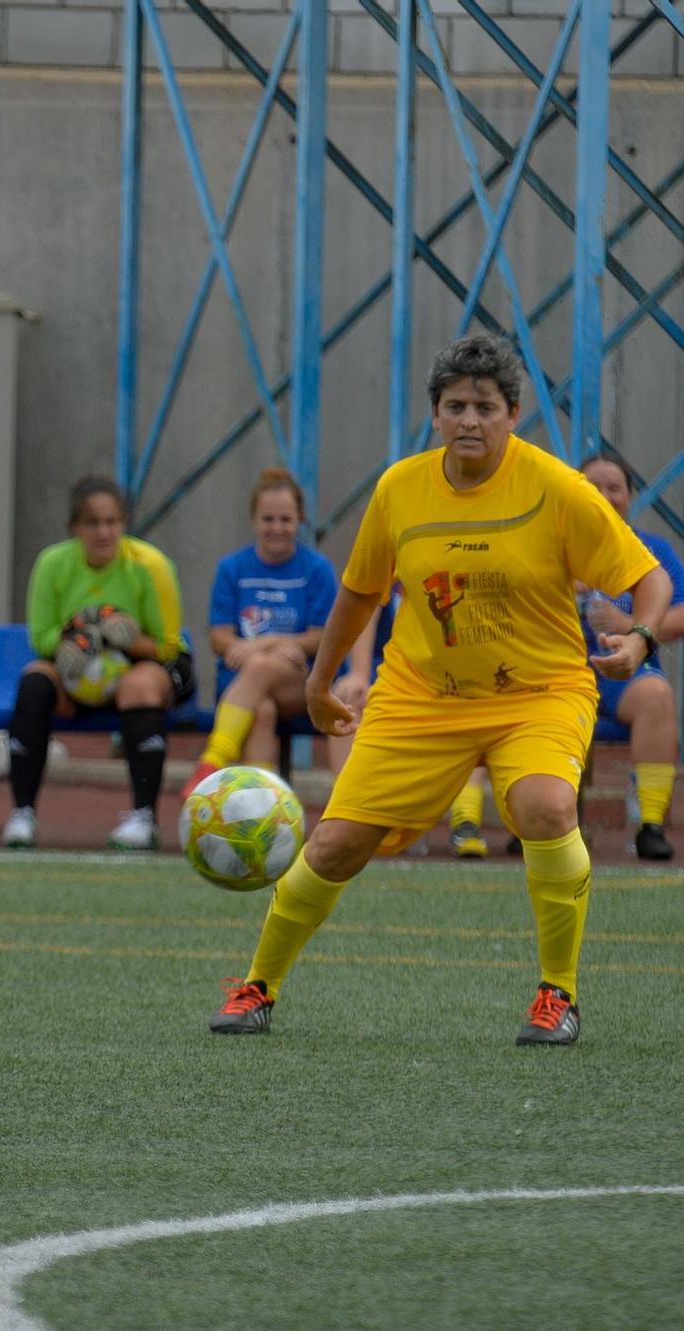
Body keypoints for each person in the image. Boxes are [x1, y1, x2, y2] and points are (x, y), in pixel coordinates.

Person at [209, 334, 672, 1047]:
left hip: (538, 691)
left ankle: (558, 994)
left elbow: (650, 578)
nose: (470, 420)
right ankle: (257, 986)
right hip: (422, 694)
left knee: (547, 807)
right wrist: (321, 679)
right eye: (455, 405)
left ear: (512, 414)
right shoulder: (401, 489)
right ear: (434, 414)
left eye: (485, 406)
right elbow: (360, 594)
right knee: (333, 843)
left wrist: (640, 638)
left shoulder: (556, 488)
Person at [3, 476, 193, 851]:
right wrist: (86, 635)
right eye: (92, 523)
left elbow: (168, 645)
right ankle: (22, 813)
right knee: (34, 682)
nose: (103, 532)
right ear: (75, 528)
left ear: (123, 524)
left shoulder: (151, 565)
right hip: (76, 672)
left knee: (139, 687)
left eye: (112, 522)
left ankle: (144, 817)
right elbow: (40, 638)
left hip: (146, 662)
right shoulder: (52, 563)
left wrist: (123, 640)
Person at [187, 468, 340, 794]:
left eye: (285, 519)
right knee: (262, 709)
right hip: (241, 682)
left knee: (260, 666)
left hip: (300, 683)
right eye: (268, 519)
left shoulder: (317, 569)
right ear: (254, 520)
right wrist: (248, 649)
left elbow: (323, 637)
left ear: (299, 520)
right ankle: (263, 808)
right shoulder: (232, 568)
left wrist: (264, 644)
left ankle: (213, 760)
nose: (277, 528)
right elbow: (218, 635)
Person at [573, 454, 684, 860]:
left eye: (614, 488)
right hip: (561, 672)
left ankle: (650, 825)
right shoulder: (551, 546)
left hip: (625, 676)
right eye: (593, 488)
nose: (604, 496)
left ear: (630, 498)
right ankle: (544, 824)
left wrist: (630, 624)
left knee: (657, 695)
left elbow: (682, 612)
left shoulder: (651, 551)